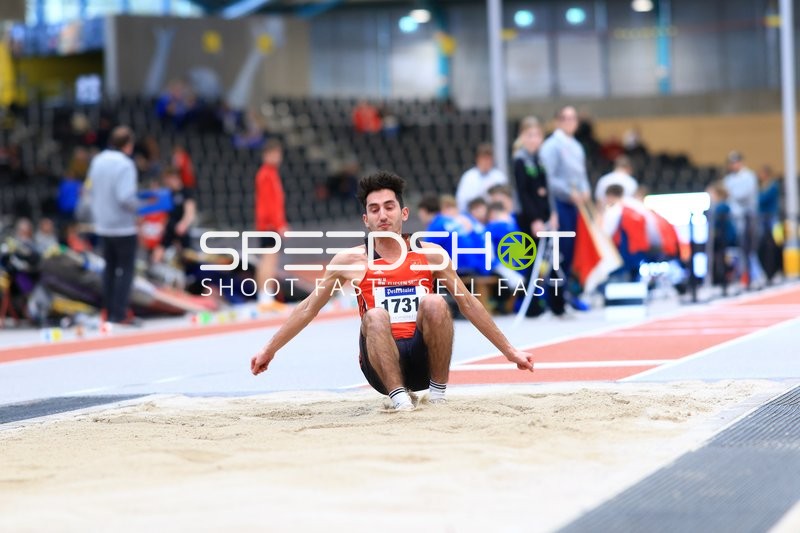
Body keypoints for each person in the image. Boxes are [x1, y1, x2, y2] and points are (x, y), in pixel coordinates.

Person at [251, 171, 534, 410]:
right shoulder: (350, 260)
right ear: (366, 219)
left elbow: (469, 303)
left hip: (425, 360)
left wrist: (510, 352)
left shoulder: (431, 254)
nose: (383, 215)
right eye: (374, 209)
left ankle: (437, 397)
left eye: (389, 207)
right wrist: (269, 349)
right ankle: (400, 401)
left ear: (404, 213)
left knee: (436, 302)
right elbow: (308, 307)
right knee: (374, 315)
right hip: (381, 366)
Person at [539, 105, 592, 309]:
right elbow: (548, 178)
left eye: (573, 118)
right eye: (565, 118)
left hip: (574, 204)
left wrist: (585, 190)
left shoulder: (577, 147)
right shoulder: (551, 146)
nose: (570, 122)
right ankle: (555, 301)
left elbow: (581, 175)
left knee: (569, 252)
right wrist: (569, 193)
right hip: (558, 203)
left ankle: (565, 294)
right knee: (559, 252)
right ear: (558, 121)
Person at [88, 126, 139, 324]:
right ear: (128, 145)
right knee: (125, 270)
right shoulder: (125, 164)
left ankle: (107, 311)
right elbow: (125, 197)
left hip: (102, 223)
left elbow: (90, 189)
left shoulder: (97, 160)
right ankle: (119, 313)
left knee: (108, 269)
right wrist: (141, 207)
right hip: (123, 225)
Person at [254, 139, 289, 310]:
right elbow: (270, 204)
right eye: (274, 154)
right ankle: (264, 297)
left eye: (278, 154)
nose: (277, 157)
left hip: (269, 224)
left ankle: (265, 297)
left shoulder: (270, 174)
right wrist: (278, 224)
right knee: (268, 260)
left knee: (269, 260)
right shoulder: (266, 174)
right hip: (269, 225)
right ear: (266, 155)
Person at [152, 167, 197, 264]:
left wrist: (184, 224)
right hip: (170, 226)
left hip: (181, 228)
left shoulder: (186, 192)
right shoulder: (168, 193)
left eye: (168, 179)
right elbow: (163, 212)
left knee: (187, 254)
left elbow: (190, 212)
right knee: (158, 251)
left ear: (175, 178)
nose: (166, 182)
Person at [455, 143, 508, 213]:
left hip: (495, 214)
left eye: (489, 159)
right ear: (477, 159)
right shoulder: (468, 177)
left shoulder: (499, 177)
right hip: (473, 215)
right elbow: (461, 201)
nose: (486, 162)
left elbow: (506, 200)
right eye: (484, 158)